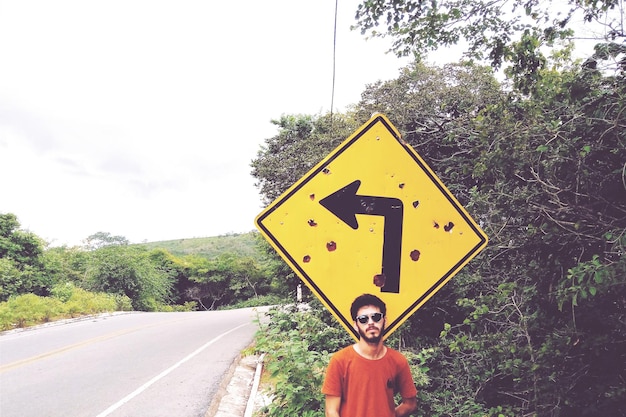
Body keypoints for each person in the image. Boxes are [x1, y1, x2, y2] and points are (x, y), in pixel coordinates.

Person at [322, 293, 418, 417]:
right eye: (363, 319)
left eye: (376, 317)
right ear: (356, 325)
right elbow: (331, 411)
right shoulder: (340, 361)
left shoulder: (398, 361)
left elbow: (410, 403)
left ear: (385, 321)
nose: (370, 323)